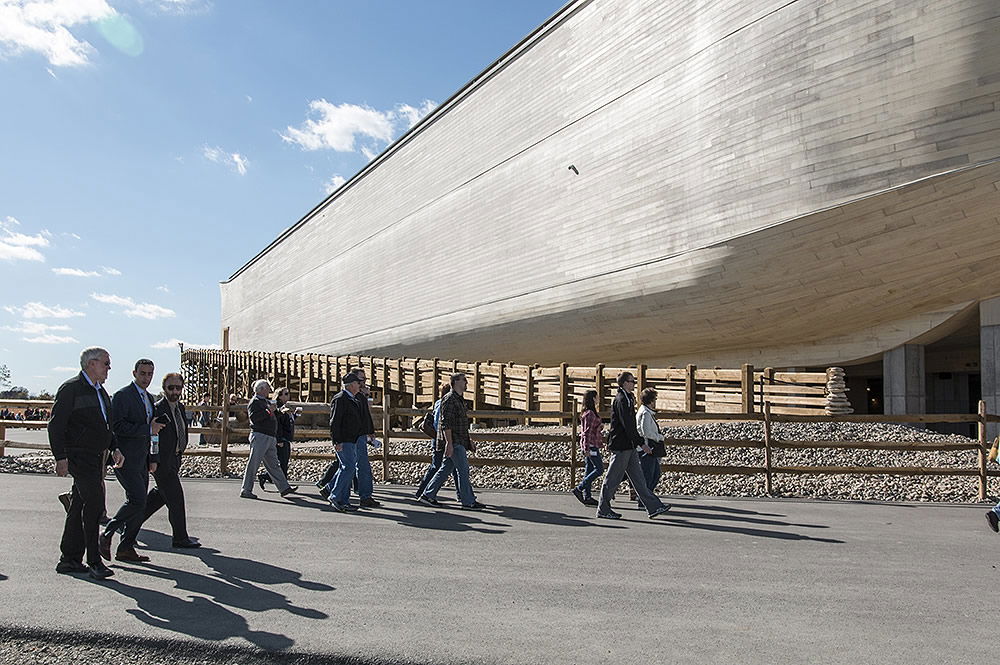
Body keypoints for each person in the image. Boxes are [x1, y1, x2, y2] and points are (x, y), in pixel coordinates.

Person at [49, 347, 121, 580]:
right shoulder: (71, 389)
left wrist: (114, 448)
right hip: (80, 458)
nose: (109, 368)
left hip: (97, 458)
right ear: (91, 364)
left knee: (79, 506)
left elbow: (106, 424)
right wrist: (60, 457)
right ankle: (94, 561)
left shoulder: (101, 392)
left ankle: (69, 559)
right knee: (94, 507)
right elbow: (56, 425)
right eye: (106, 364)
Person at [101, 359, 164, 563]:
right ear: (134, 373)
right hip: (125, 457)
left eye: (150, 374)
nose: (146, 378)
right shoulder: (122, 396)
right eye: (143, 373)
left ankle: (126, 547)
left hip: (143, 458)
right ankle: (108, 533)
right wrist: (146, 430)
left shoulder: (150, 398)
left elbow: (154, 432)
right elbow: (117, 427)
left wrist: (153, 458)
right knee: (137, 499)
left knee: (140, 502)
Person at [597, 372, 671, 520]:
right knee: (612, 478)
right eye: (631, 381)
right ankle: (603, 508)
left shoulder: (628, 398)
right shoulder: (621, 399)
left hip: (628, 446)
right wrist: (641, 443)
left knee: (639, 479)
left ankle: (653, 506)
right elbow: (627, 425)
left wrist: (636, 443)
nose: (634, 384)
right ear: (624, 383)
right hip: (622, 446)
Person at [139, 372, 200, 549]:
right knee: (176, 499)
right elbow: (154, 437)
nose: (175, 391)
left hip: (175, 458)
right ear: (164, 388)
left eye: (178, 388)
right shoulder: (158, 408)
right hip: (162, 461)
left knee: (157, 498)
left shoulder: (180, 408)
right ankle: (180, 537)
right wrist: (154, 459)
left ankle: (128, 525)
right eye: (171, 388)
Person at [419, 373, 485, 510]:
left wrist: (469, 441)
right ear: (455, 382)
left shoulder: (459, 399)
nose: (466, 382)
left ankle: (428, 494)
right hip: (454, 441)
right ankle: (468, 501)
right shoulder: (449, 399)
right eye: (464, 380)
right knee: (463, 470)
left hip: (459, 440)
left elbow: (461, 424)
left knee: (445, 469)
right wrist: (449, 443)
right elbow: (445, 424)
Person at [326, 372, 381, 511]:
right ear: (351, 385)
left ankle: (344, 501)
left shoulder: (355, 398)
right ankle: (334, 495)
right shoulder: (340, 399)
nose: (359, 385)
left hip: (353, 439)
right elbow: (335, 422)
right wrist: (336, 441)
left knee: (347, 469)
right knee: (348, 468)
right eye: (357, 383)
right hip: (345, 440)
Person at [240, 379, 297, 499]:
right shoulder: (254, 402)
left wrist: (279, 412)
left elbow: (272, 415)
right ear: (261, 390)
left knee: (274, 464)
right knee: (253, 463)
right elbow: (255, 419)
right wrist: (268, 411)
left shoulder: (264, 401)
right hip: (260, 435)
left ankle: (284, 487)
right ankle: (246, 489)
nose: (269, 391)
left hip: (269, 436)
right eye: (267, 388)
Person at [413, 383, 459, 500]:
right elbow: (441, 423)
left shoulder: (438, 403)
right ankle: (424, 492)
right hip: (443, 439)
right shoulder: (446, 404)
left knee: (442, 466)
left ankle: (422, 491)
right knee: (446, 467)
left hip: (438, 438)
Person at [258, 386, 299, 490]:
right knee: (283, 462)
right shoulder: (277, 407)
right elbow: (277, 424)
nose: (288, 395)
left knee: (281, 462)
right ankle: (284, 487)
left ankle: (266, 476)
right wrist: (279, 439)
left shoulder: (284, 406)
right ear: (280, 396)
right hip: (282, 438)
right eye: (286, 393)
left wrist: (295, 415)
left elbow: (286, 422)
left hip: (285, 437)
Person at [571, 390, 604, 507]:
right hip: (591, 446)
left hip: (591, 445)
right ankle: (579, 488)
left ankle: (587, 496)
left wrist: (599, 427)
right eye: (597, 397)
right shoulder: (590, 414)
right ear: (593, 399)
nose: (599, 398)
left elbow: (591, 430)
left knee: (589, 470)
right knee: (599, 469)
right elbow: (586, 432)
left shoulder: (588, 413)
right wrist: (586, 448)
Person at [636, 387, 665, 508]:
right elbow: (646, 431)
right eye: (654, 399)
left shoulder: (645, 411)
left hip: (647, 448)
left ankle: (646, 498)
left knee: (654, 474)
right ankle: (644, 499)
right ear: (651, 400)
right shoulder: (646, 413)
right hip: (648, 448)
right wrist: (659, 437)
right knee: (650, 475)